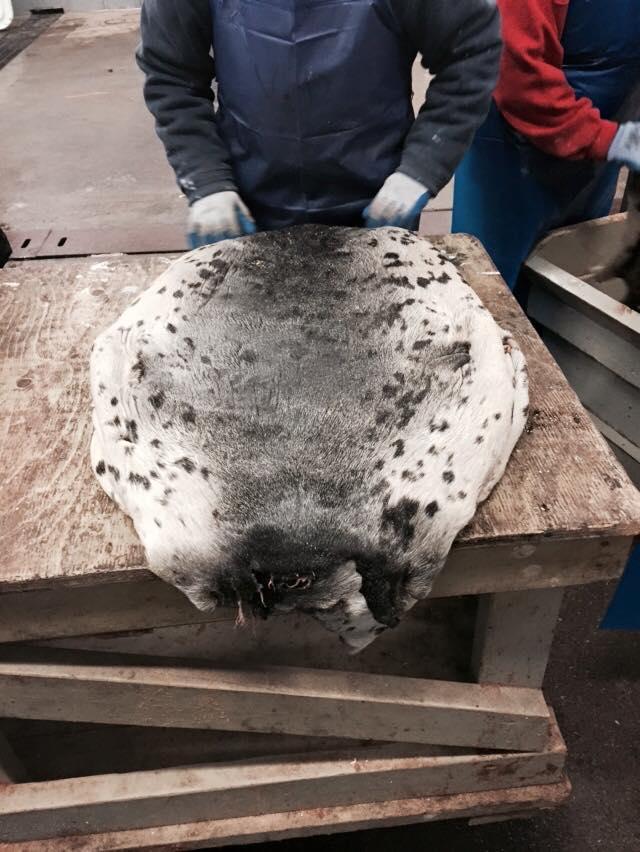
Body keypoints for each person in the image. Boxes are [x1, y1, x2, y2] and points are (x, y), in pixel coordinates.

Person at [137, 0, 501, 247]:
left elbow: (470, 54)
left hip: (377, 203)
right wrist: (207, 182)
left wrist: (420, 170)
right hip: (248, 203)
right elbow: (172, 73)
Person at [452, 0, 640, 291]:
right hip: (513, 151)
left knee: (569, 281)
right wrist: (608, 139)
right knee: (490, 293)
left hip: (599, 152)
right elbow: (514, 72)